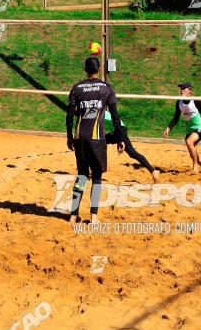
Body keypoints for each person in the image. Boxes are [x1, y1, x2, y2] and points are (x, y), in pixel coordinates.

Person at [66, 56, 123, 224]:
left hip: (80, 137)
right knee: (96, 176)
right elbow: (115, 116)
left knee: (81, 176)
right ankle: (94, 216)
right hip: (96, 138)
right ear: (99, 69)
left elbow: (69, 115)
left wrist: (69, 135)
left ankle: (73, 214)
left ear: (85, 70)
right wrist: (119, 137)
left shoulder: (77, 88)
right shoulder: (107, 89)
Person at [162, 81, 201, 173]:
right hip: (189, 130)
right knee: (193, 155)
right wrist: (168, 128)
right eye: (181, 89)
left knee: (189, 141)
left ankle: (195, 167)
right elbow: (176, 118)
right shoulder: (179, 102)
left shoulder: (196, 100)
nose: (181, 90)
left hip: (199, 127)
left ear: (189, 90)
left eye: (183, 88)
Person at [105, 110, 160, 182]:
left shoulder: (98, 112)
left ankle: (153, 171)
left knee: (132, 153)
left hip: (120, 130)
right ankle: (153, 171)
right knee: (132, 153)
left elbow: (117, 123)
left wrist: (120, 139)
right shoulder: (97, 111)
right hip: (118, 131)